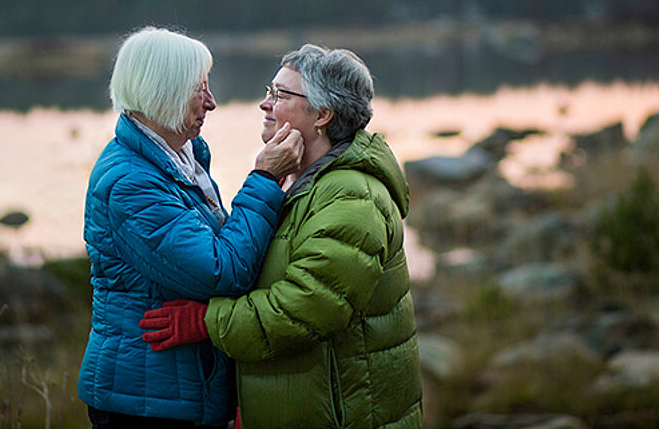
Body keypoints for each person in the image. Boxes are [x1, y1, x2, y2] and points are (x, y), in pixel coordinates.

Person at [141, 44, 423, 429]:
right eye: (269, 90)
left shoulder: (352, 195)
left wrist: (208, 321)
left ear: (323, 114)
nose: (264, 104)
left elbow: (308, 307)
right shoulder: (296, 182)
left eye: (280, 95)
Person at [78, 26, 304, 429]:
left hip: (179, 389)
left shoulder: (181, 159)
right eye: (199, 88)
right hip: (146, 404)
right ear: (163, 90)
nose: (212, 102)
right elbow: (223, 271)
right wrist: (265, 180)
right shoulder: (130, 182)